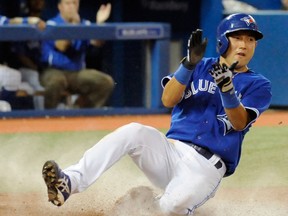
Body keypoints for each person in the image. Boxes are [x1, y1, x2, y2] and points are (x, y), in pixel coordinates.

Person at [42, 13, 272, 215]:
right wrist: (189, 64)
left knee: (171, 209)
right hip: (170, 152)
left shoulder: (259, 85)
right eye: (237, 37)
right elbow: (168, 99)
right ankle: (69, 181)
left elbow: (240, 123)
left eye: (250, 39)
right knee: (133, 132)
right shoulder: (199, 66)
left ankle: (146, 203)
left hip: (206, 168)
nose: (244, 44)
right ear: (223, 40)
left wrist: (228, 92)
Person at [40, 0, 114, 109]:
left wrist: (100, 23)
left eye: (74, 3)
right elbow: (62, 46)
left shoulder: (84, 24)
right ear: (60, 7)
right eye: (68, 3)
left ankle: (79, 113)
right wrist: (74, 26)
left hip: (77, 73)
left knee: (105, 82)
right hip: (53, 71)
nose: (71, 7)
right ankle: (47, 117)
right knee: (56, 82)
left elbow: (97, 42)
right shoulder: (52, 24)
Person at [10, 0, 46, 110]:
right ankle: (42, 116)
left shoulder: (47, 23)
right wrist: (37, 68)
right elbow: (20, 55)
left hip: (43, 68)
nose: (38, 2)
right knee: (35, 80)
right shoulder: (22, 24)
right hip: (24, 69)